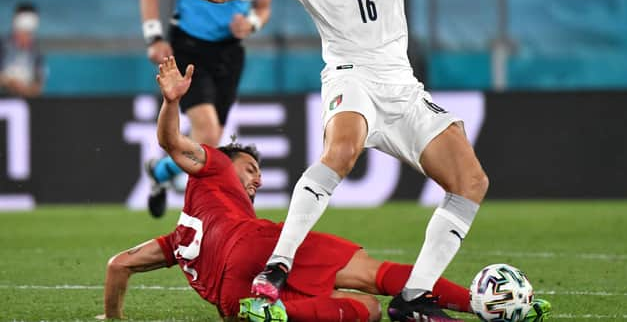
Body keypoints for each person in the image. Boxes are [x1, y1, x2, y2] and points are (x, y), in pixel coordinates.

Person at [122, 0, 555, 319]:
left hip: (402, 86)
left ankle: (415, 297)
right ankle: (277, 266)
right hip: (351, 77)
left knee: (472, 181)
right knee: (342, 152)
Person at [97, 56, 490, 322]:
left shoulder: (176, 242)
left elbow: (119, 265)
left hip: (234, 302)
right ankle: (477, 303)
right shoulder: (214, 165)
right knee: (372, 273)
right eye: (250, 169)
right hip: (257, 247)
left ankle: (271, 313)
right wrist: (171, 103)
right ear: (223, 160)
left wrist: (112, 318)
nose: (257, 180)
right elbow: (172, 144)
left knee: (366, 309)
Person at [139, 0, 271, 218]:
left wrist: (251, 23)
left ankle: (160, 173)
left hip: (229, 52)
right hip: (189, 47)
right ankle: (200, 211)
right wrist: (154, 37)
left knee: (209, 144)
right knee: (208, 132)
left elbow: (263, 9)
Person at [0, 2, 47, 97]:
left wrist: (26, 90)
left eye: (29, 32)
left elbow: (39, 86)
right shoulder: (3, 47)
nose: (25, 36)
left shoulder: (36, 52)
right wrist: (9, 82)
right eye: (22, 30)